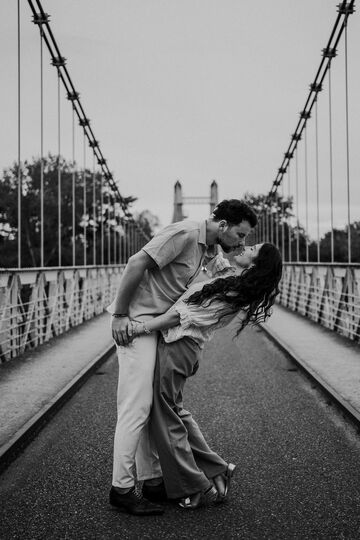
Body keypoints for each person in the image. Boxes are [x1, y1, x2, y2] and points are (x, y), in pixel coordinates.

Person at [108, 200, 258, 515]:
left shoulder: (210, 252)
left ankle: (151, 482)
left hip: (154, 328)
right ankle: (121, 489)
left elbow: (211, 298)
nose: (242, 243)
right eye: (240, 235)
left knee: (151, 407)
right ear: (224, 226)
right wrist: (120, 315)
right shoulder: (185, 232)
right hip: (136, 323)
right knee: (136, 407)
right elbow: (137, 263)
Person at [128, 243, 282, 509]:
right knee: (174, 411)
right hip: (181, 347)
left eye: (252, 247)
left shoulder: (233, 292)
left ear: (256, 264)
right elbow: (218, 259)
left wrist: (138, 328)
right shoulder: (233, 281)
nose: (245, 245)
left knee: (166, 416)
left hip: (179, 347)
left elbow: (178, 317)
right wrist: (211, 238)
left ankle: (194, 484)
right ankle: (217, 468)